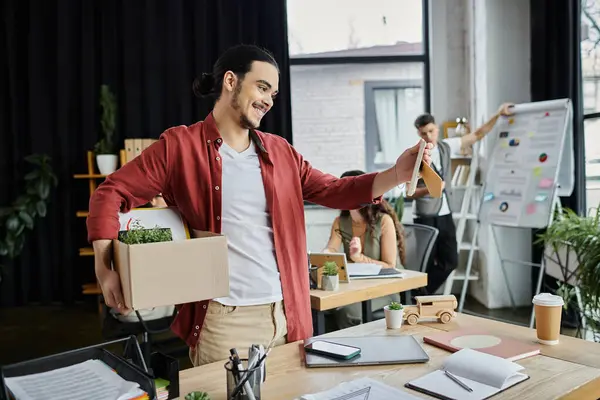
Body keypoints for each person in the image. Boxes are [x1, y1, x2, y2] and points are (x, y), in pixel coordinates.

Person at [87, 44, 432, 367]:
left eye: (273, 94)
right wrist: (105, 269)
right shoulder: (180, 146)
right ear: (231, 81)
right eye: (262, 87)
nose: (269, 100)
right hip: (223, 322)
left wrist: (396, 174)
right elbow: (111, 193)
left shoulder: (281, 152)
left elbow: (336, 190)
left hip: (287, 316)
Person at [407, 103, 514, 296]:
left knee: (451, 261)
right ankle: (419, 298)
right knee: (426, 263)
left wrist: (498, 113)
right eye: (423, 133)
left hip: (445, 214)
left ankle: (417, 295)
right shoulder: (414, 158)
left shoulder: (447, 147)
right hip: (425, 216)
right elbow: (408, 192)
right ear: (418, 135)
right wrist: (429, 190)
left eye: (431, 131)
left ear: (436, 129)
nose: (428, 136)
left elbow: (478, 134)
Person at [322, 170, 407, 329]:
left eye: (344, 191)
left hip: (384, 289)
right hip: (355, 286)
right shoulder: (340, 221)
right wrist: (327, 255)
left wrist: (358, 258)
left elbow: (390, 265)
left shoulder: (384, 221)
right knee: (324, 307)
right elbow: (331, 249)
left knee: (348, 311)